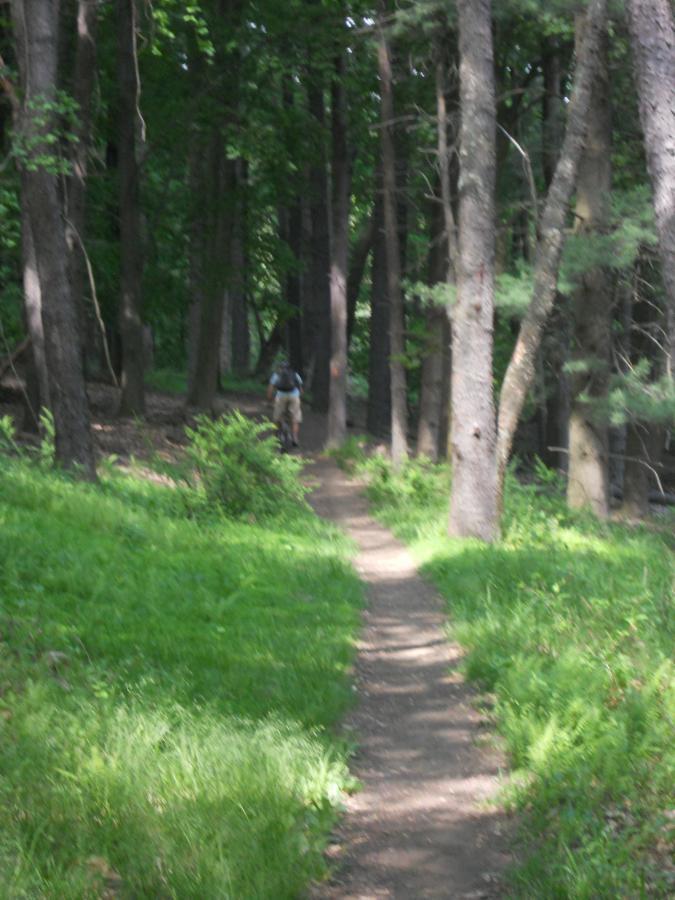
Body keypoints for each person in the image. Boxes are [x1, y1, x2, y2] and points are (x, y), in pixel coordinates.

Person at [267, 360, 303, 447]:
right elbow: (301, 389)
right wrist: (298, 397)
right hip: (294, 397)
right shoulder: (295, 374)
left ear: (280, 368)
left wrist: (269, 400)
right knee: (295, 418)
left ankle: (274, 438)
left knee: (277, 417)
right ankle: (295, 438)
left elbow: (270, 389)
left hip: (280, 397)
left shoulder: (276, 375)